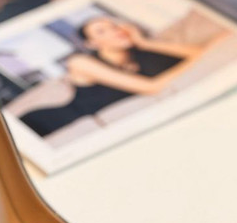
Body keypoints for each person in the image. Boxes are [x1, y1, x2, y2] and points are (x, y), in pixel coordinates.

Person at [19, 16, 213, 137]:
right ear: (92, 44)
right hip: (46, 122)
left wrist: (145, 43)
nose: (115, 32)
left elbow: (201, 54)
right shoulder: (80, 62)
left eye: (114, 26)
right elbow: (152, 87)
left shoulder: (144, 57)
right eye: (101, 31)